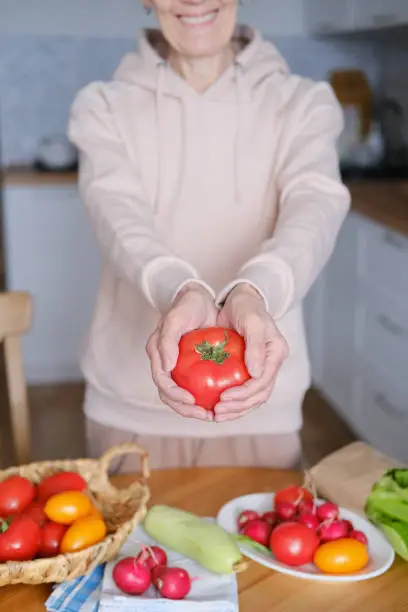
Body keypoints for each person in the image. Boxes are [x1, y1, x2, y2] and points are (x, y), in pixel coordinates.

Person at [68, 0, 350, 473]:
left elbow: (315, 208)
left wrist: (256, 289)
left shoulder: (305, 103)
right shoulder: (102, 107)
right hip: (130, 408)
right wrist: (181, 288)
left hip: (258, 404)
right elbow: (118, 216)